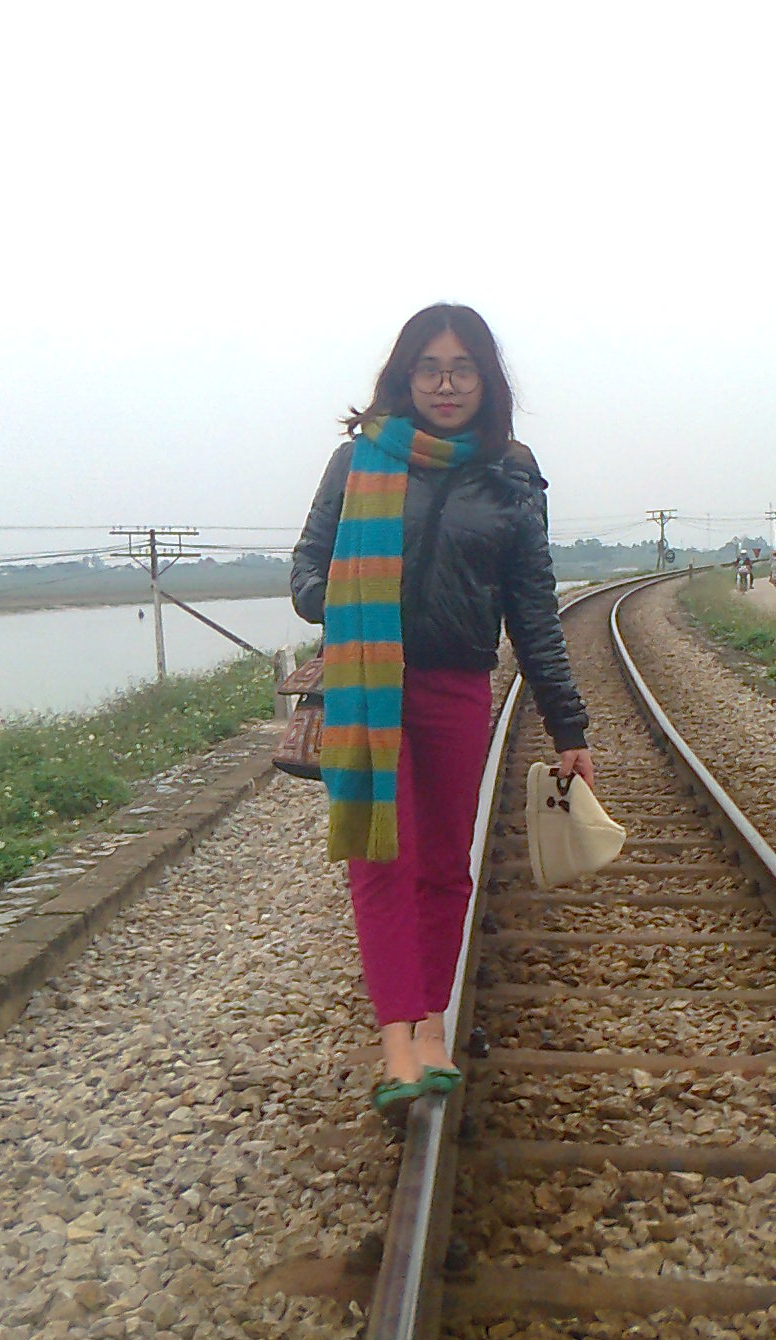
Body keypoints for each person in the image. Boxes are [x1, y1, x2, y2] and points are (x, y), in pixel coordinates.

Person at [291, 304, 593, 1112]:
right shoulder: (358, 461)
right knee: (380, 857)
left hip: (456, 687)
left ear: (486, 379)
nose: (446, 384)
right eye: (430, 368)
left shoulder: (510, 473)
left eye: (462, 369)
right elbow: (306, 574)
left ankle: (432, 1028)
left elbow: (533, 610)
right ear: (405, 375)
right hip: (368, 687)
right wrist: (350, 598)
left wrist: (568, 725)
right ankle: (397, 1046)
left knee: (443, 865)